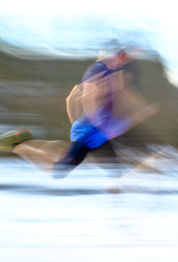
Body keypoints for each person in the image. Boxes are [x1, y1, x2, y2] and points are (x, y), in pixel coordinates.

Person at [0, 43, 159, 178]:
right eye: (122, 56)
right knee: (59, 171)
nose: (124, 59)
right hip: (91, 133)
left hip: (95, 133)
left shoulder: (109, 73)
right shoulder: (99, 72)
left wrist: (142, 110)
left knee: (109, 166)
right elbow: (79, 98)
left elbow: (73, 98)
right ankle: (18, 145)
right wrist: (86, 120)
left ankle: (26, 140)